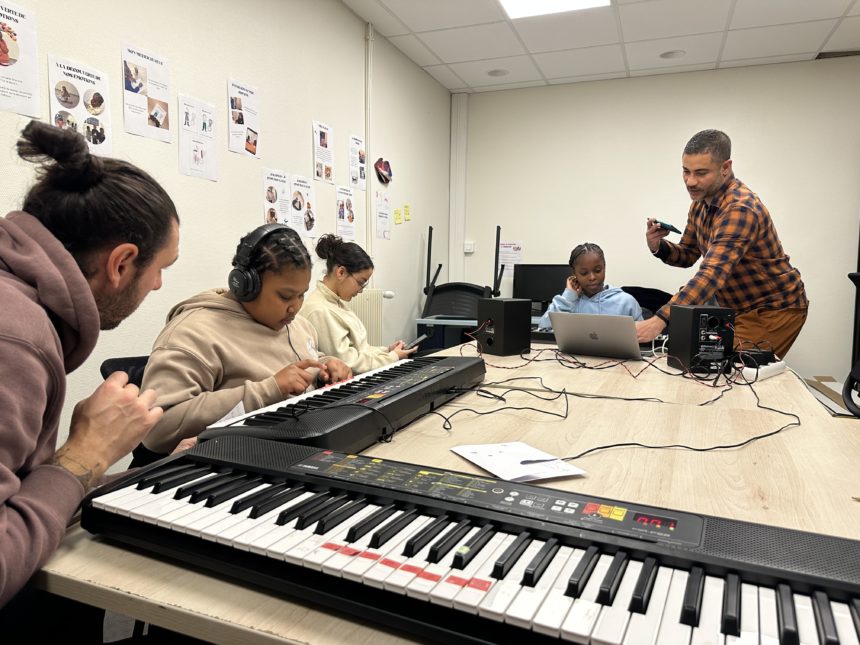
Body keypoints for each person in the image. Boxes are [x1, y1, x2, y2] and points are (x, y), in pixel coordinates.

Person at [0, 121, 180, 609]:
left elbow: (25, 487)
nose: (159, 286)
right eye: (161, 268)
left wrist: (168, 473)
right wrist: (87, 454)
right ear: (122, 264)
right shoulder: (14, 337)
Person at [138, 224, 352, 460]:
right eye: (285, 296)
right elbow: (157, 429)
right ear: (245, 284)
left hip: (302, 447)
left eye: (301, 294)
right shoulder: (192, 333)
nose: (296, 307)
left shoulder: (297, 325)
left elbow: (303, 362)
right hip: (240, 463)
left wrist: (326, 366)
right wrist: (269, 389)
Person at [636, 129, 808, 358]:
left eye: (701, 173)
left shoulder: (740, 209)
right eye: (686, 171)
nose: (690, 181)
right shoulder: (700, 203)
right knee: (707, 363)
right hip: (738, 308)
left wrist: (659, 320)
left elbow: (711, 275)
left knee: (723, 365)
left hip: (774, 309)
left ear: (725, 168)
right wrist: (659, 247)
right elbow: (687, 254)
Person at [301, 234, 417, 374]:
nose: (361, 291)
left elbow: (361, 350)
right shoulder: (320, 311)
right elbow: (348, 363)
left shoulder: (335, 303)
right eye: (361, 283)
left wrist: (387, 351)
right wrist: (393, 357)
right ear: (341, 272)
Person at [538, 243, 643, 330]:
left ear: (604, 267)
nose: (592, 277)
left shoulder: (626, 302)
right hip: (574, 355)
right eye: (584, 273)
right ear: (574, 273)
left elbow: (645, 340)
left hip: (616, 355)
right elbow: (543, 328)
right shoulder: (569, 301)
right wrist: (568, 297)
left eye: (597, 270)